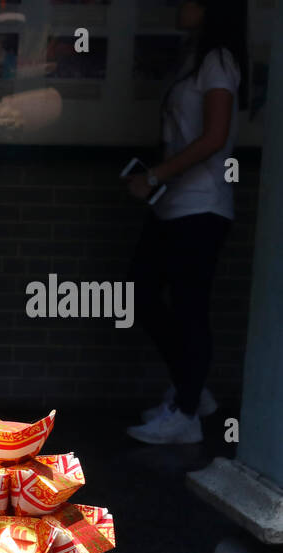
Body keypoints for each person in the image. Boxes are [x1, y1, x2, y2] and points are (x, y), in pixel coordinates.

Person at [123, 0, 247, 445]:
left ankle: (188, 414)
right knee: (139, 291)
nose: (180, 5)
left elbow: (214, 136)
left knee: (190, 307)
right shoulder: (194, 58)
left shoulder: (219, 61)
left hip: (202, 205)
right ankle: (192, 388)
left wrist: (157, 174)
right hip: (172, 204)